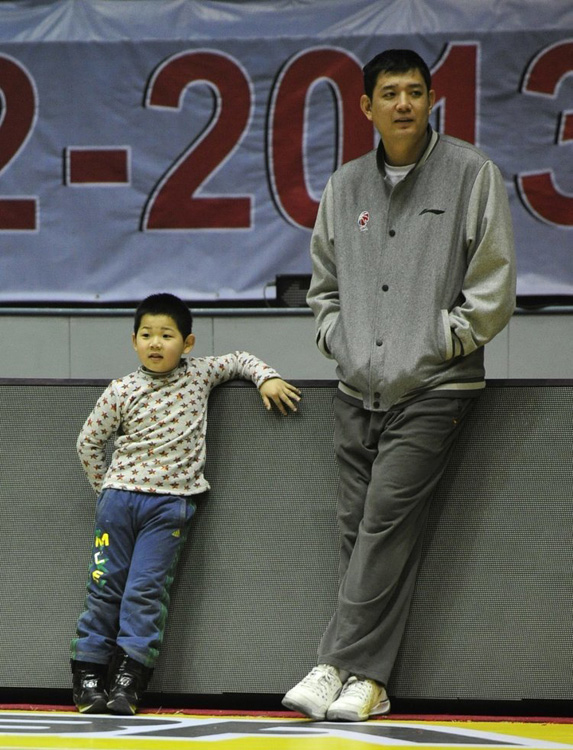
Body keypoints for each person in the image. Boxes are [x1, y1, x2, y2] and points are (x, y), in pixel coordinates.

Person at [282, 49, 516, 722]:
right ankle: (370, 683)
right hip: (356, 387)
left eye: (415, 91)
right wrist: (339, 340)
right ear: (366, 107)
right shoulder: (343, 186)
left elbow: (492, 283)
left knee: (384, 523)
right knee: (357, 530)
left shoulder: (471, 174)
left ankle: (333, 662)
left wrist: (443, 342)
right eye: (390, 93)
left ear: (432, 98)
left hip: (434, 387)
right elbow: (321, 287)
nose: (404, 104)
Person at [71, 292, 301, 715]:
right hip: (118, 503)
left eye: (166, 335)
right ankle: (87, 676)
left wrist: (265, 377)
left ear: (188, 343)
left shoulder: (200, 374)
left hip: (169, 507)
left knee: (145, 590)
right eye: (146, 335)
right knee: (105, 587)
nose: (155, 343)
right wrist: (105, 489)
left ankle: (128, 679)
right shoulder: (122, 390)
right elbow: (89, 441)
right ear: (134, 341)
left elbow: (241, 360)